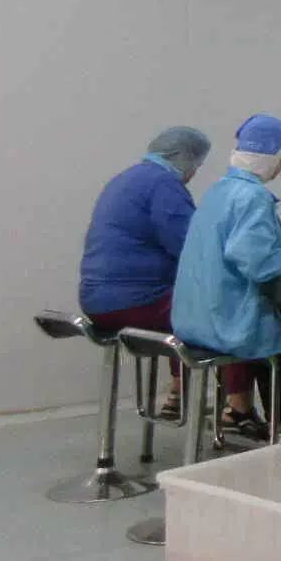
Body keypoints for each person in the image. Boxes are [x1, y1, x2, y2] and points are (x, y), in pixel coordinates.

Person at [172, 115, 281, 442]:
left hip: (195, 319)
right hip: (229, 325)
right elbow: (257, 263)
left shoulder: (220, 190)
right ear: (278, 157)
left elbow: (238, 237)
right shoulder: (255, 197)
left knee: (278, 325)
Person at [78, 125, 213, 419]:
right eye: (197, 164)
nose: (194, 172)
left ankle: (180, 392)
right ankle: (237, 409)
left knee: (185, 303)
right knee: (221, 309)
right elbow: (189, 247)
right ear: (184, 157)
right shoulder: (165, 186)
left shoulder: (127, 179)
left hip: (96, 303)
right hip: (137, 303)